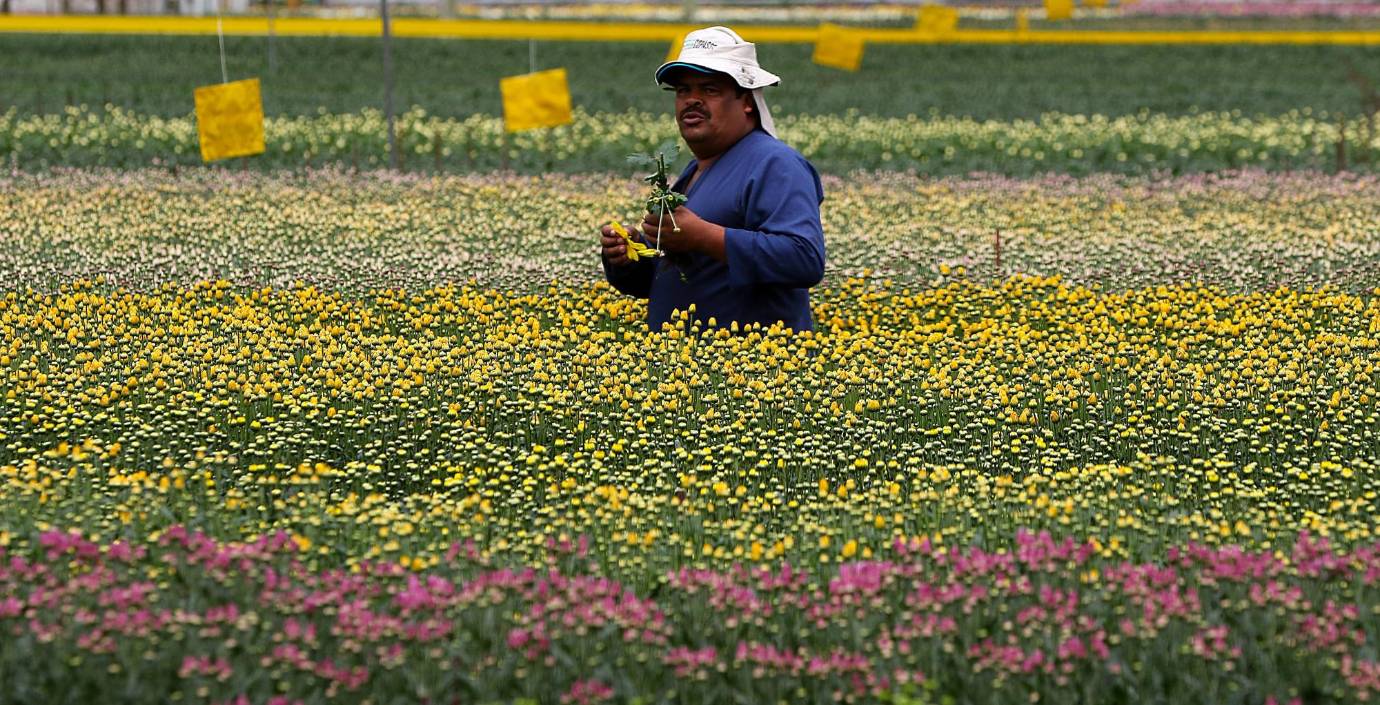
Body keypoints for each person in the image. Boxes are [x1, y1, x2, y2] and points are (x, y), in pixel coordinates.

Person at [599, 26, 826, 332]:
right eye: (683, 91)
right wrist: (631, 256)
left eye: (709, 90)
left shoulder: (775, 164)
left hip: (756, 371)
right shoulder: (696, 171)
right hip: (690, 374)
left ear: (746, 100)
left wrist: (702, 236)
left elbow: (803, 258)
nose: (692, 100)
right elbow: (683, 275)